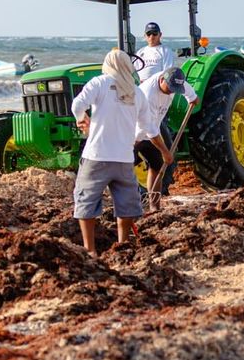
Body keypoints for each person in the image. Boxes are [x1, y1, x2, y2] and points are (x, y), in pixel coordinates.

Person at [71, 49, 150, 256]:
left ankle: (90, 249)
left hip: (97, 156)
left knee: (86, 202)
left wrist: (82, 118)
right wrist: (132, 140)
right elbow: (145, 127)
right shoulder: (137, 92)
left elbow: (77, 104)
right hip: (124, 159)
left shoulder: (99, 83)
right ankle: (122, 245)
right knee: (126, 205)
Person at [135, 67, 198, 205]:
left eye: (176, 89)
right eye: (170, 87)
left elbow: (186, 88)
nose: (172, 91)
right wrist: (166, 152)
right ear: (162, 79)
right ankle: (129, 206)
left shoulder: (173, 82)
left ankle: (154, 207)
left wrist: (192, 98)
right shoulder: (148, 94)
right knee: (125, 171)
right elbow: (150, 131)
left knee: (156, 167)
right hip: (133, 136)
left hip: (152, 131)